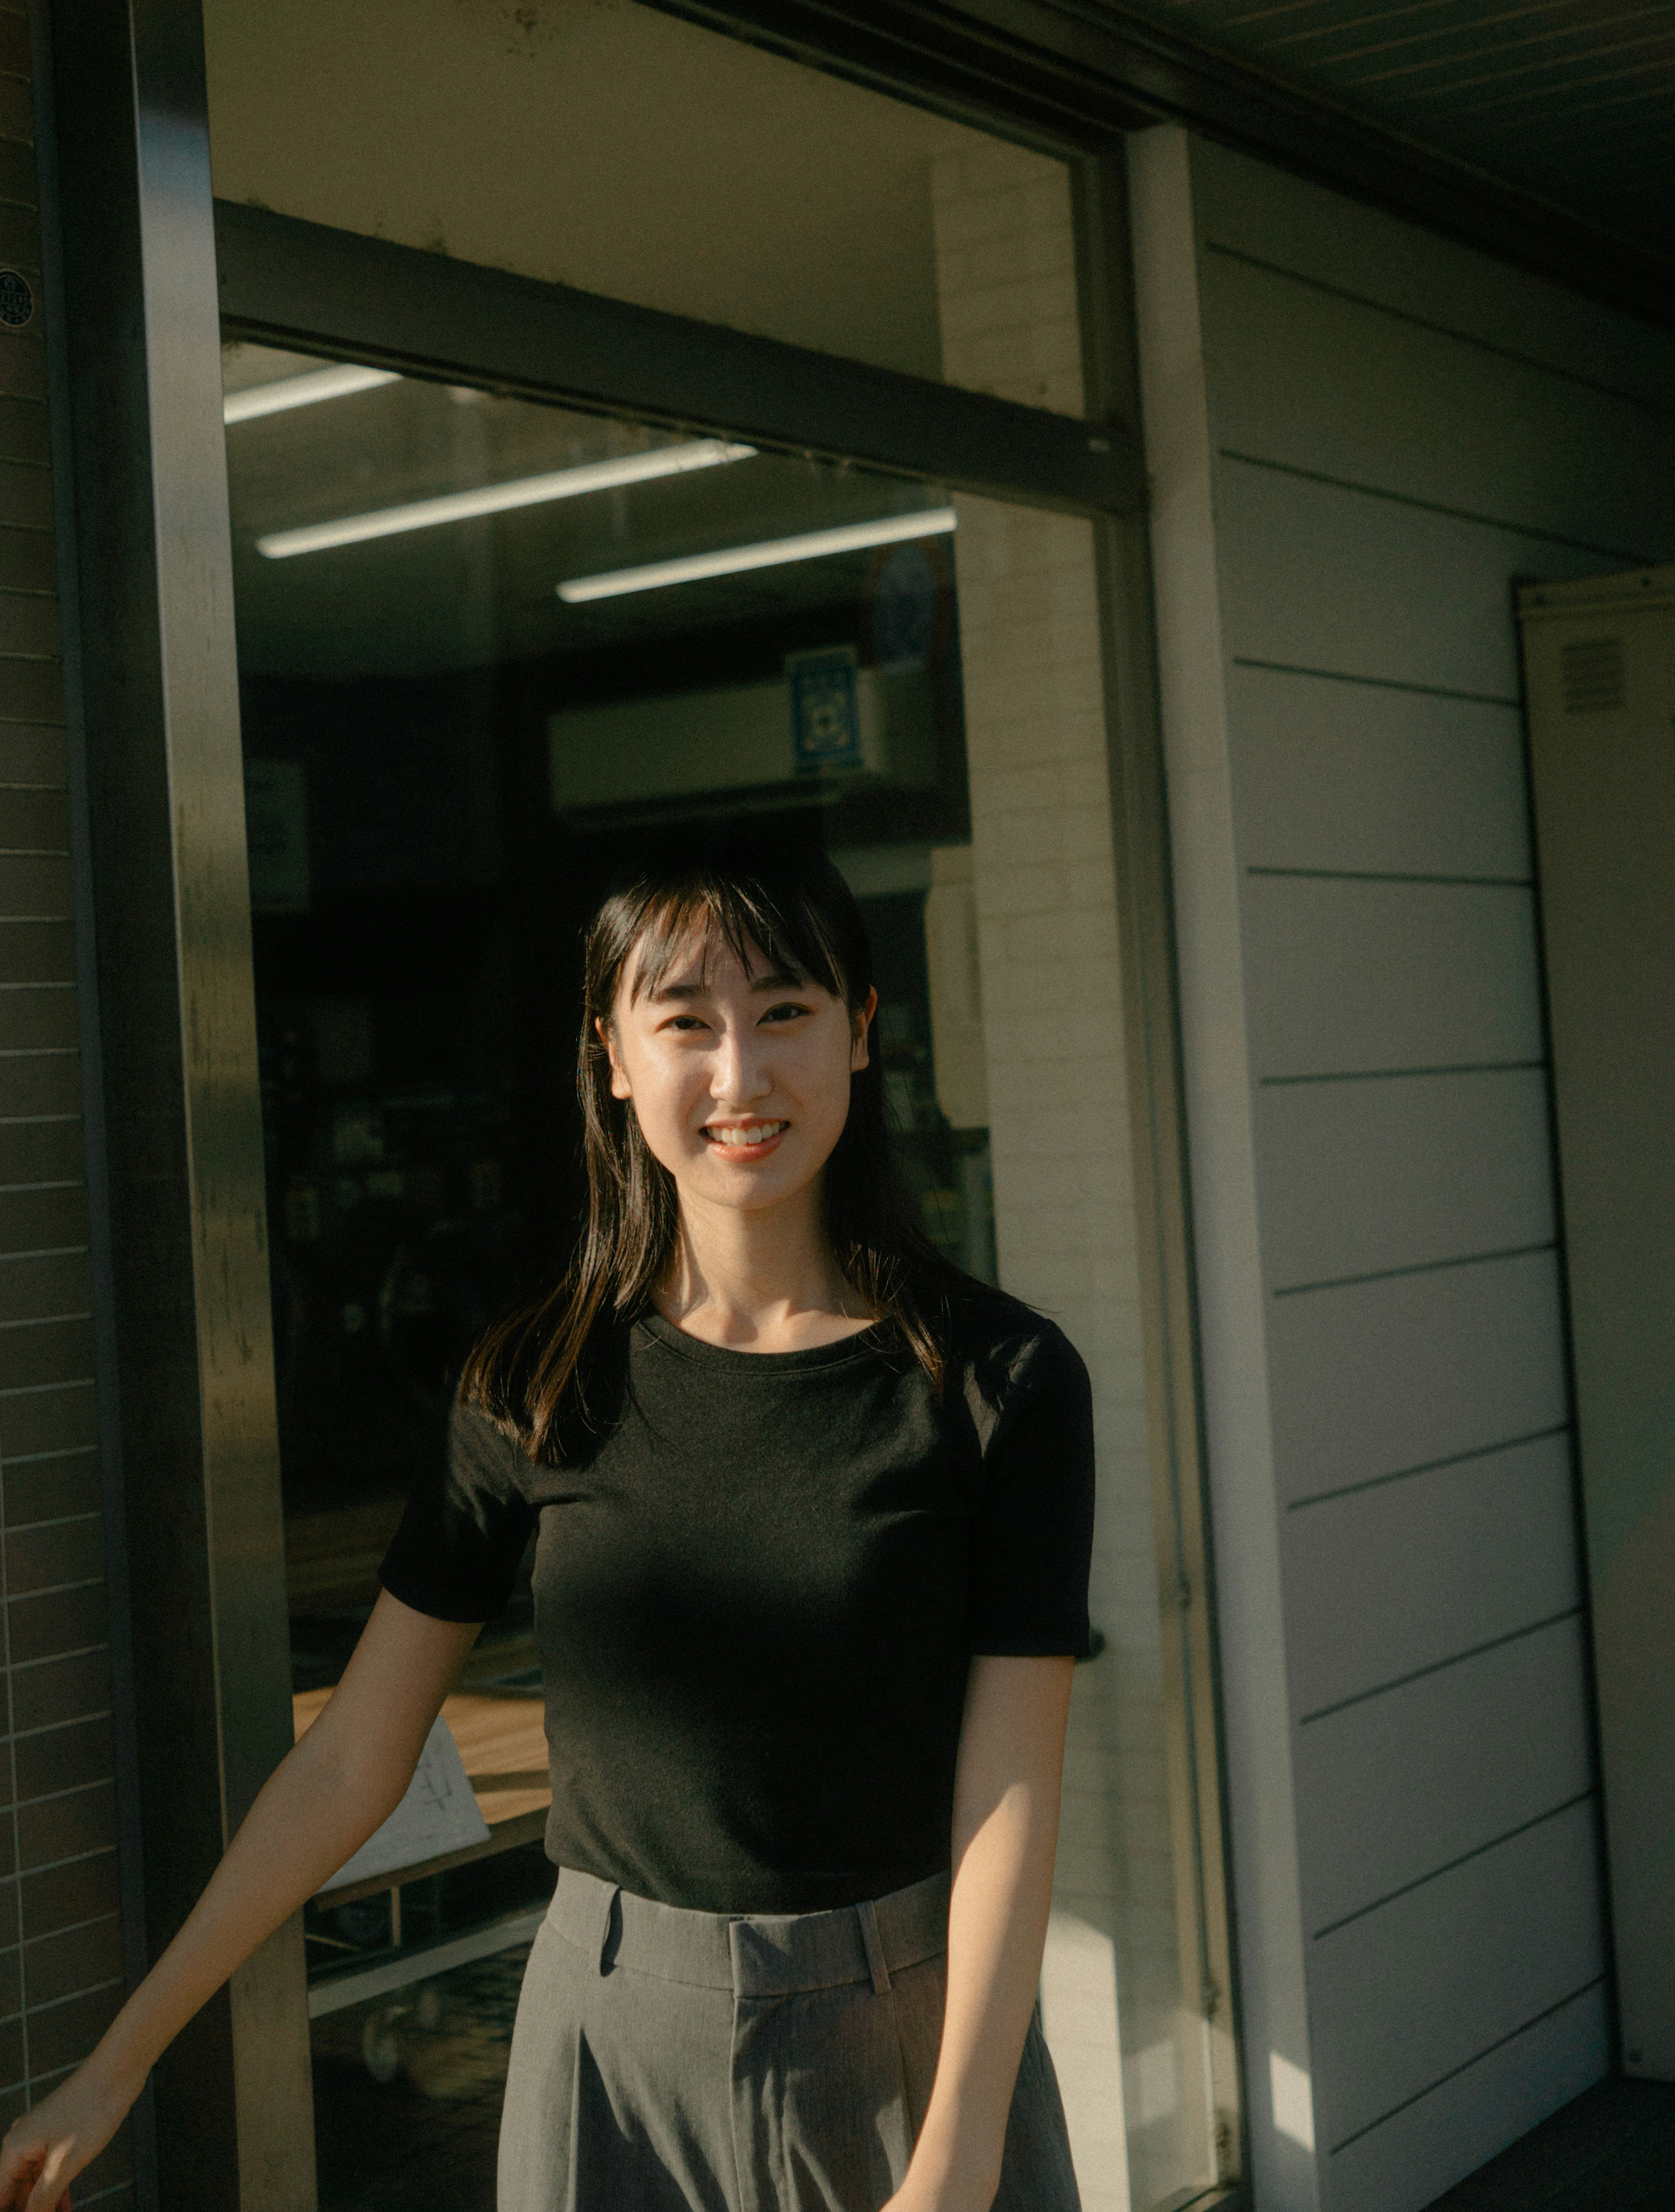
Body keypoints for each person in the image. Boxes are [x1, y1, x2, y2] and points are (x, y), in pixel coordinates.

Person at [0, 837, 1095, 2212]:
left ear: (862, 1032)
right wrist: (119, 2063)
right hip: (611, 2045)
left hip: (912, 2049)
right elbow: (351, 1762)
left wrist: (957, 2153)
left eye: (787, 1014)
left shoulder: (996, 1382)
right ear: (614, 1055)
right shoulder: (535, 1387)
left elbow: (1009, 1800)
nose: (740, 1077)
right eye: (685, 1023)